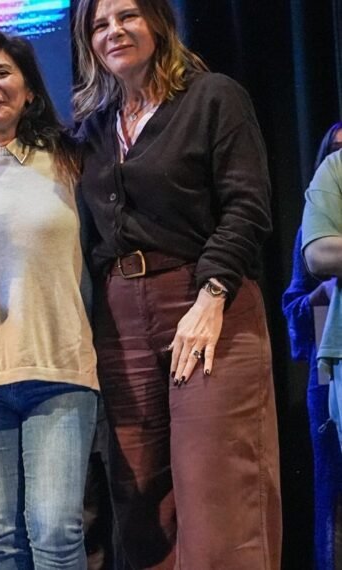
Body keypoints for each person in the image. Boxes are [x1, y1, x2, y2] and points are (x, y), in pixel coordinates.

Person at [73, 0, 280, 567]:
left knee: (219, 495)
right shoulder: (93, 128)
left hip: (206, 301)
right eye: (99, 25)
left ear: (159, 22)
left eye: (127, 16)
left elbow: (247, 205)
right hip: (120, 318)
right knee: (140, 506)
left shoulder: (212, 97)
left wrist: (212, 296)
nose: (113, 32)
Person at [0, 27, 98, 569]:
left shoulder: (72, 161)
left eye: (2, 73)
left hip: (60, 370)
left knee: (55, 533)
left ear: (29, 90)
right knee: (1, 541)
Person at [284, 121, 342, 570]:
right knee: (333, 492)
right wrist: (323, 293)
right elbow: (293, 306)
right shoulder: (314, 230)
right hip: (328, 375)